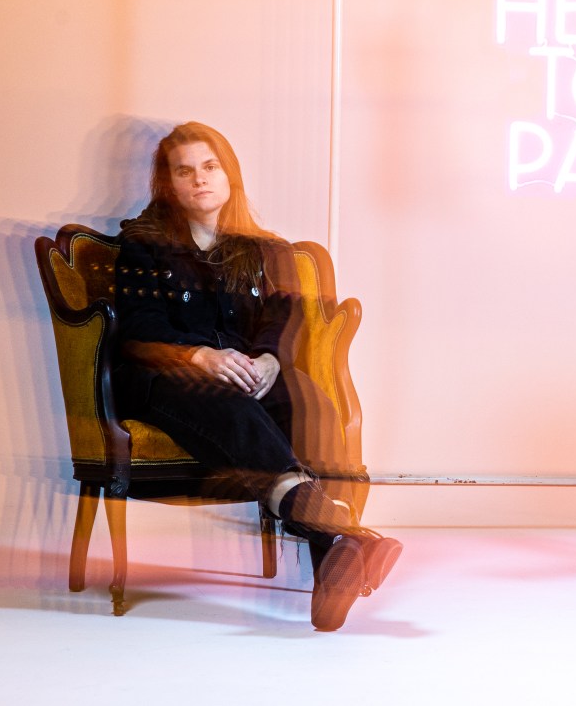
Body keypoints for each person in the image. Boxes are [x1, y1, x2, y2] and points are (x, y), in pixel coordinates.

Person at [111, 121, 401, 631]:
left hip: (248, 373)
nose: (200, 179)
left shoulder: (268, 250)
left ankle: (336, 551)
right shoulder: (143, 245)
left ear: (230, 174)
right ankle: (346, 534)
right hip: (167, 379)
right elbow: (138, 328)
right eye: (184, 171)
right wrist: (198, 356)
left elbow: (285, 320)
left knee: (309, 401)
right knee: (226, 400)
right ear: (168, 184)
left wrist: (269, 359)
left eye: (209, 166)